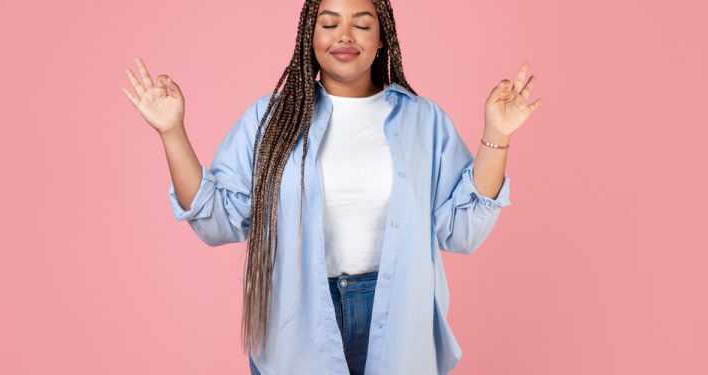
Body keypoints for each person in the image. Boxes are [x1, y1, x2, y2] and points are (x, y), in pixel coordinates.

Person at [122, 0, 541, 373]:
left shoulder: (423, 121)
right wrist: (172, 132)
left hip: (398, 319)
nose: (344, 35)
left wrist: (497, 136)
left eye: (361, 23)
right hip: (297, 321)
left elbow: (462, 232)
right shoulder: (270, 120)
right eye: (329, 22)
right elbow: (217, 223)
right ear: (310, 36)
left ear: (382, 39)